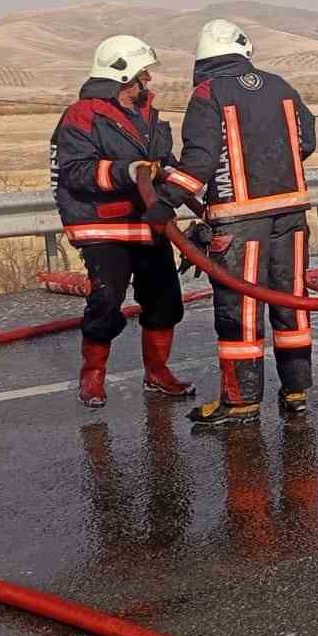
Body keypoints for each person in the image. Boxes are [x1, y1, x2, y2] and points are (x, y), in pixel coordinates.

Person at [152, 19, 317, 426]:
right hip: (291, 216)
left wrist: (163, 200)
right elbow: (306, 140)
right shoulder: (279, 85)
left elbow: (200, 164)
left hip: (238, 224)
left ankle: (241, 401)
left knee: (240, 310)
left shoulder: (209, 94)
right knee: (291, 303)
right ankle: (296, 392)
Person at [50, 34, 194, 407]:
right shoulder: (83, 116)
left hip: (149, 221)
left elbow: (165, 166)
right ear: (122, 74)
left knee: (164, 299)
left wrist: (194, 197)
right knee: (106, 300)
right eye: (142, 73)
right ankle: (93, 375)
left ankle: (158, 372)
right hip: (103, 227)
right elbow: (76, 172)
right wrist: (126, 171)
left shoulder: (148, 116)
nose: (148, 80)